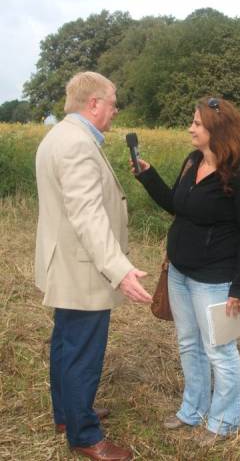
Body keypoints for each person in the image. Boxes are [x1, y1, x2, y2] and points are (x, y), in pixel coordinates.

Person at [132, 96, 240, 447]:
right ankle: (192, 409)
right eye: (192, 121)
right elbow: (177, 204)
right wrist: (149, 177)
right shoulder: (193, 161)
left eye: (197, 123)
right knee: (189, 343)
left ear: (217, 129)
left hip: (216, 280)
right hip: (179, 273)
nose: (190, 128)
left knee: (220, 351)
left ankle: (224, 421)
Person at [35, 71, 152, 461]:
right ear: (94, 104)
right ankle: (85, 435)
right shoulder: (77, 145)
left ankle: (67, 415)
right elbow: (87, 214)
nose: (116, 110)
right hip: (83, 267)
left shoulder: (59, 136)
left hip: (67, 261)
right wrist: (118, 269)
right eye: (113, 102)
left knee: (66, 343)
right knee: (83, 351)